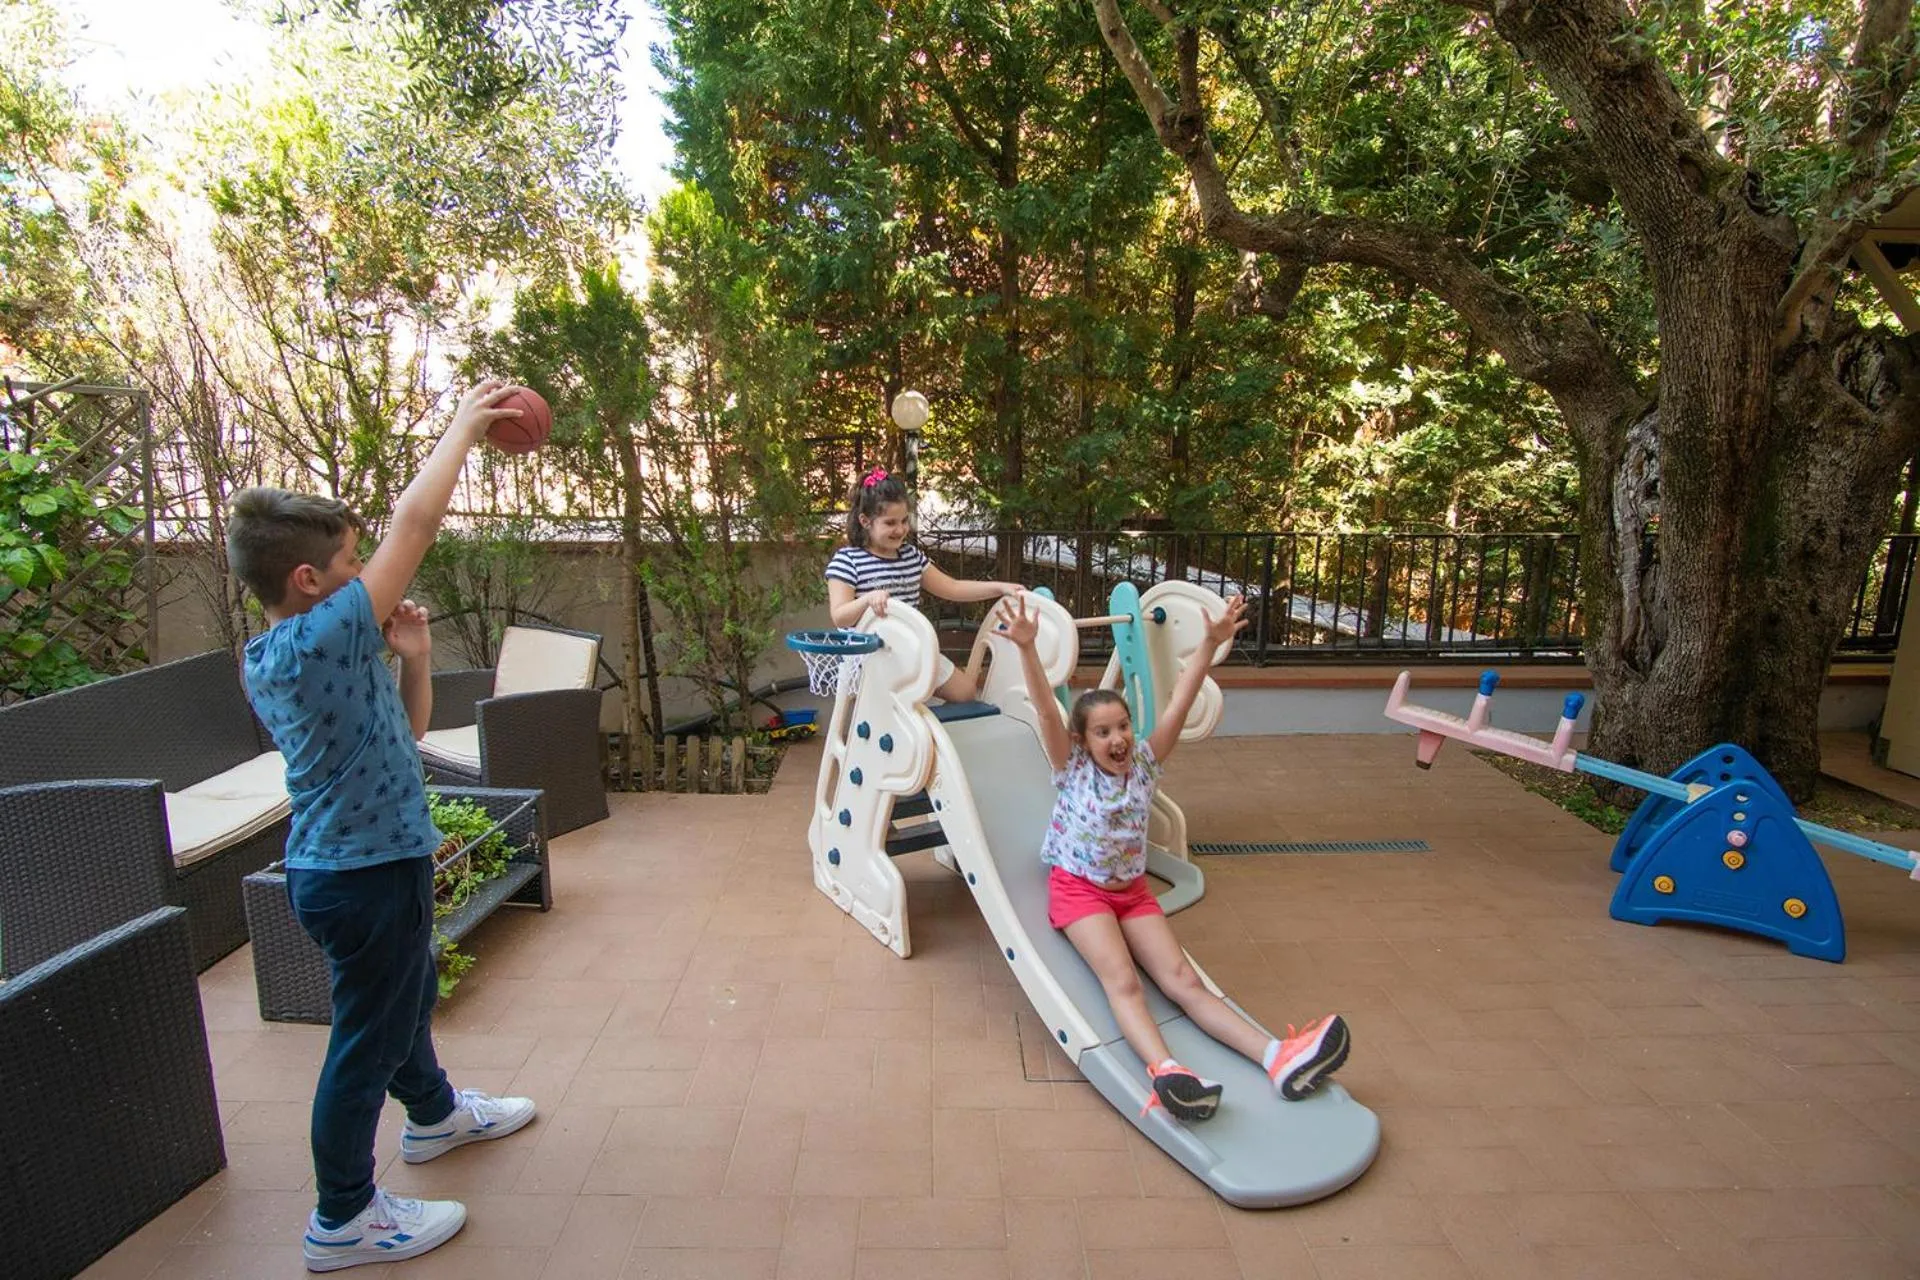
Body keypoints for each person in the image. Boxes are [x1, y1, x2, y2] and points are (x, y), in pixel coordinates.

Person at [227, 381, 539, 1272]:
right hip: (358, 875)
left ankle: (436, 1116)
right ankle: (344, 1216)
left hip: (368, 862)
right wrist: (463, 431)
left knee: (397, 1003)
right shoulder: (315, 639)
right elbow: (417, 524)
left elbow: (405, 734)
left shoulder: (301, 648)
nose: (369, 572)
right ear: (306, 580)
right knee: (365, 1038)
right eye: (351, 562)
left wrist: (418, 659)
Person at [998, 592, 1350, 1121]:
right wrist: (1027, 649)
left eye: (1122, 726)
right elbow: (1047, 710)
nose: (1117, 738)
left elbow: (1180, 704)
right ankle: (1168, 1072)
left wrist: (1209, 644)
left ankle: (1278, 1059)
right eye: (1103, 732)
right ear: (1082, 740)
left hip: (1132, 894)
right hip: (1080, 892)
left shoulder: (1143, 761)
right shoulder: (1072, 768)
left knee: (1184, 982)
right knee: (1123, 981)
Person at [825, 466, 1021, 701]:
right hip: (871, 659)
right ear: (865, 521)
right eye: (890, 523)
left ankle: (930, 730)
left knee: (966, 692)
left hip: (912, 650)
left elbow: (952, 588)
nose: (900, 529)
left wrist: (999, 588)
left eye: (904, 521)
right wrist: (867, 600)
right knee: (895, 709)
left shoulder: (910, 556)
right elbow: (840, 616)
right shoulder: (848, 560)